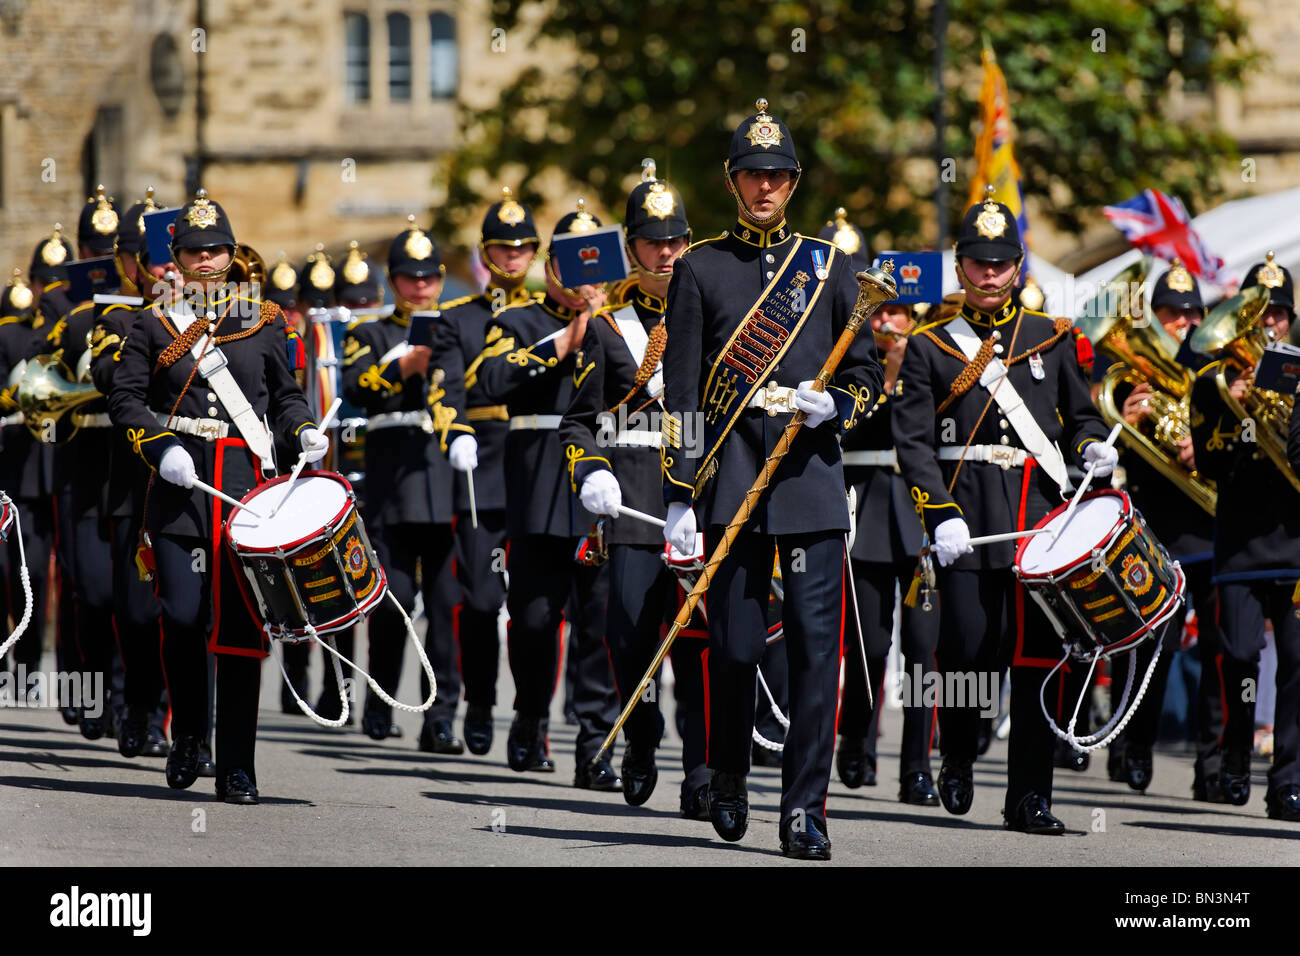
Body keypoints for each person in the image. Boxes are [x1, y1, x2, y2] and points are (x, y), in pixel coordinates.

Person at [659, 99, 884, 859]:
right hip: (731, 477)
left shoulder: (827, 265)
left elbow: (866, 375)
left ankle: (804, 811)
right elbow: (683, 393)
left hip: (810, 477)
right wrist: (678, 492)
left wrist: (837, 406)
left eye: (778, 177)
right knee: (736, 644)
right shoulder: (698, 269)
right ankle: (727, 771)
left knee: (820, 649)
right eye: (753, 176)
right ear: (732, 182)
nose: (766, 189)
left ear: (794, 182)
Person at [893, 190, 1112, 835]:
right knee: (965, 652)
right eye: (977, 262)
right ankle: (957, 753)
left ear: (1018, 267)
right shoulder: (932, 347)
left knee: (1038, 658)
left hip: (1038, 520)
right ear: (960, 267)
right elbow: (913, 442)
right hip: (968, 519)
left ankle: (1029, 798)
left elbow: (1080, 414)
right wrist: (938, 513)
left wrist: (1091, 444)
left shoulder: (1051, 337)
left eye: (1001, 263)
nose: (989, 274)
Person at [107, 190, 326, 803]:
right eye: (195, 251)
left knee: (238, 634)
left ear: (231, 257)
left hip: (243, 494)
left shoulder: (263, 320)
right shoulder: (153, 323)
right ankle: (187, 738)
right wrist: (159, 447)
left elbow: (283, 396)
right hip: (180, 486)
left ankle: (238, 765)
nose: (206, 260)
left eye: (217, 251)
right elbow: (124, 399)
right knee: (180, 617)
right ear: (175, 256)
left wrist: (302, 428)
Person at [560, 160, 710, 813]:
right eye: (655, 242)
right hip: (630, 496)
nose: (668, 252)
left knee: (701, 640)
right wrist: (589, 468)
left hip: (699, 493)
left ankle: (702, 767)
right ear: (630, 247)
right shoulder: (605, 326)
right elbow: (579, 421)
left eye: (677, 239)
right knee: (628, 634)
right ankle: (641, 736)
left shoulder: (715, 318)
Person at [475, 199, 622, 789]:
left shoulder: (625, 327)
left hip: (604, 482)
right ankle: (531, 714)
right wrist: (567, 337)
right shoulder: (518, 321)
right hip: (540, 485)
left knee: (600, 620)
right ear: (552, 268)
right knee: (535, 618)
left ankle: (595, 742)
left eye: (594, 265)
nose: (583, 278)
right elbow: (489, 380)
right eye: (571, 264)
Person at [339, 227, 475, 749]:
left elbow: (466, 389)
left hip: (442, 479)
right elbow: (355, 388)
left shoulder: (452, 329)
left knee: (445, 608)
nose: (419, 287)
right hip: (393, 482)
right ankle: (381, 702)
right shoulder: (369, 334)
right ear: (392, 281)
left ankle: (441, 717)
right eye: (407, 278)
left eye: (428, 277)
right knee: (392, 601)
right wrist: (401, 366)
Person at [826, 206, 942, 805]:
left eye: (899, 312)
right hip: (866, 510)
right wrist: (883, 373)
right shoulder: (855, 364)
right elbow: (847, 430)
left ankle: (917, 766)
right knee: (866, 645)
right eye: (883, 312)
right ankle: (855, 744)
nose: (891, 322)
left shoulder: (927, 366)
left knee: (923, 652)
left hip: (919, 517)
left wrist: (907, 371)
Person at [1096, 259, 1220, 794]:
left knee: (1221, 651)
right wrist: (1128, 415)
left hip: (1211, 531)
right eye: (1171, 313)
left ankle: (1215, 765)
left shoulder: (1214, 371)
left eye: (1191, 313)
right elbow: (1112, 452)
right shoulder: (1135, 376)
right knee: (1150, 647)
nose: (1183, 323)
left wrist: (1206, 443)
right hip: (1154, 529)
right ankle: (1133, 747)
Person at [1191, 253, 1299, 821]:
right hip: (1238, 543)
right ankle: (1234, 759)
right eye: (1260, 314)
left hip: (1295, 540)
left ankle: (1288, 780)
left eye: (1279, 314)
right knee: (1237, 656)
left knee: (1297, 662)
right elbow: (1207, 462)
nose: (1270, 325)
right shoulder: (1211, 385)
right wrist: (1236, 410)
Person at [439, 186, 540, 754]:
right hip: (481, 464)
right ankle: (479, 702)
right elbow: (444, 382)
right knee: (479, 600)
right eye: (502, 248)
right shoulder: (458, 318)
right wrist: (454, 431)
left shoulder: (550, 314)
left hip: (534, 466)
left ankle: (531, 721)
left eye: (523, 247)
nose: (512, 257)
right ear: (484, 252)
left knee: (533, 609)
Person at [89, 189, 173, 759]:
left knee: (191, 610)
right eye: (162, 260)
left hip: (199, 476)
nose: (172, 269)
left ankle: (180, 720)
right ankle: (138, 704)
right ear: (140, 267)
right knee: (139, 607)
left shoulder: (225, 320)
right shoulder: (120, 318)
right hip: (136, 479)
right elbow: (104, 374)